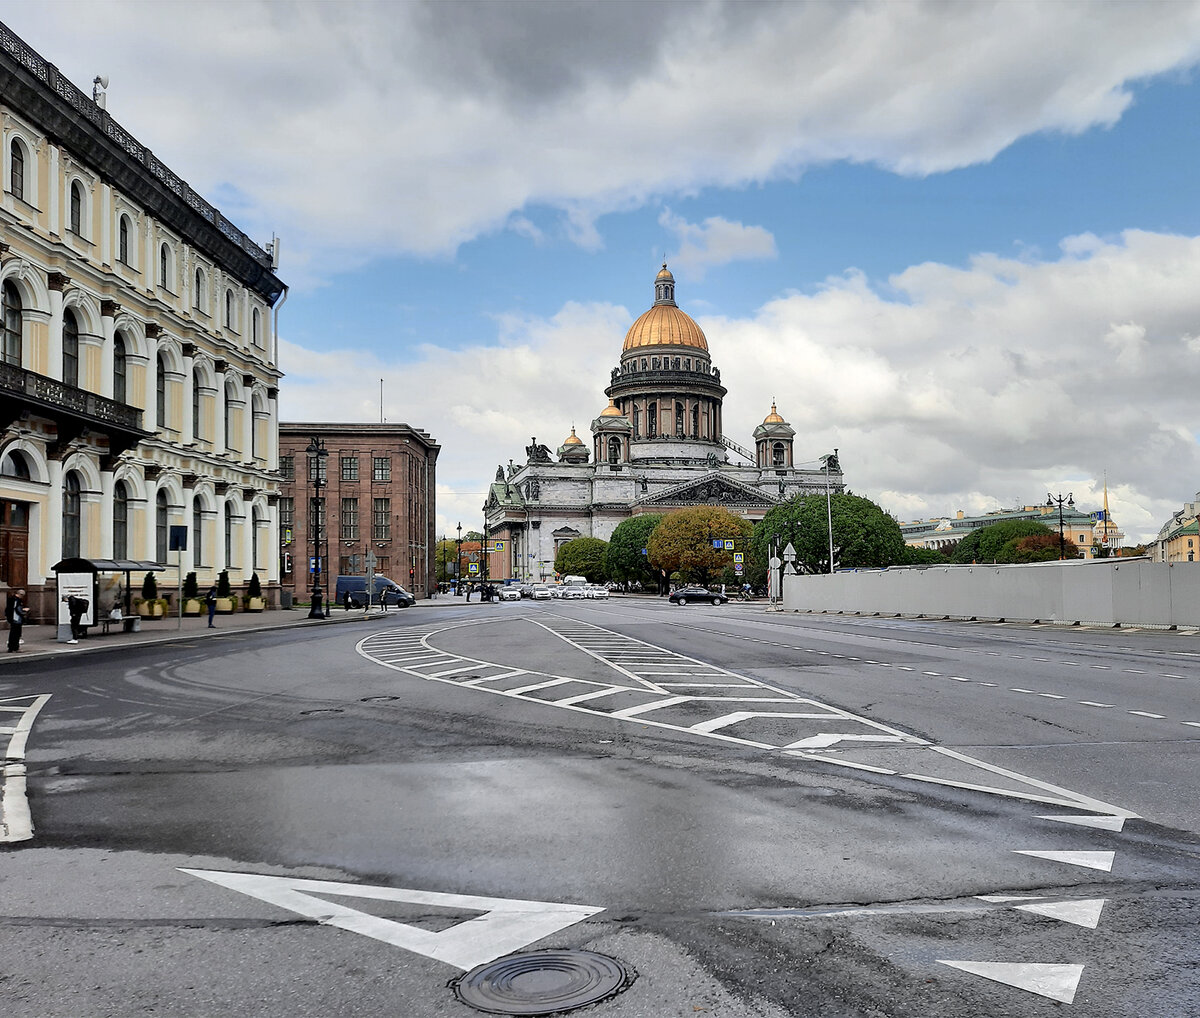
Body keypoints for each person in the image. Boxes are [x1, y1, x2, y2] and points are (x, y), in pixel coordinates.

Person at [6, 588, 25, 653]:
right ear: (20, 594)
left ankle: (11, 648)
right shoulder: (17, 600)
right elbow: (17, 609)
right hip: (16, 619)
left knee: (13, 634)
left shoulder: (11, 599)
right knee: (16, 634)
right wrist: (23, 611)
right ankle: (15, 647)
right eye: (22, 595)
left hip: (12, 618)